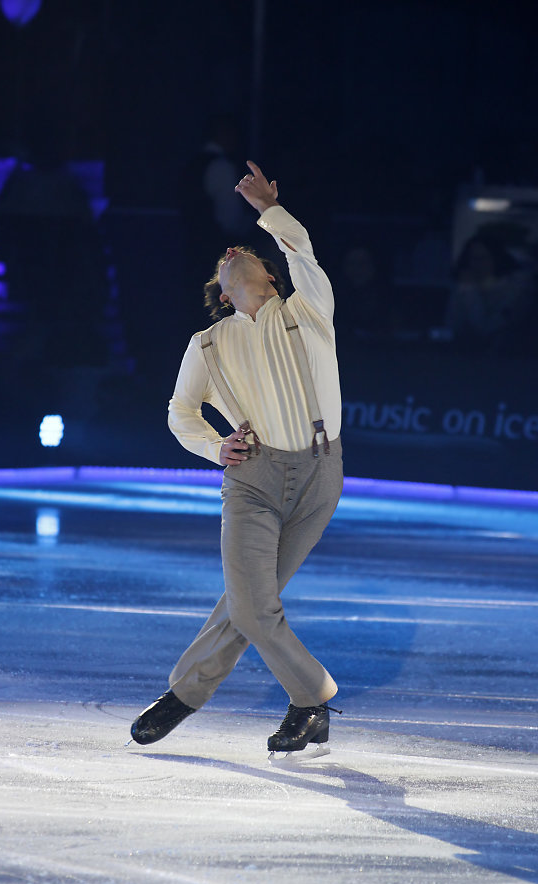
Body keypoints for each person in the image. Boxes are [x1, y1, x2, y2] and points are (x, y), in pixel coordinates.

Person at [130, 160, 343, 755]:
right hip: (251, 479)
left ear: (270, 279)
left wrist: (266, 209)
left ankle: (186, 694)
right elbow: (180, 412)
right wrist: (213, 446)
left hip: (319, 475)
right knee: (251, 605)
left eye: (245, 253)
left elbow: (301, 249)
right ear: (221, 293)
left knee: (248, 606)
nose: (231, 250)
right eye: (223, 261)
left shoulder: (308, 313)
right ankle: (312, 700)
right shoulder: (208, 343)